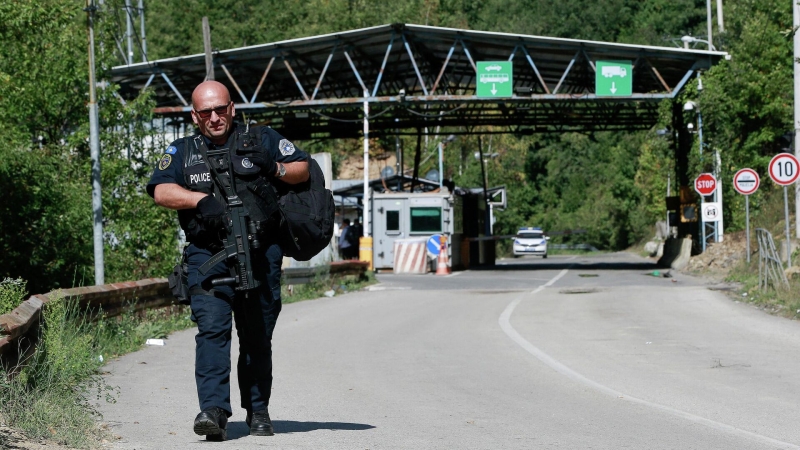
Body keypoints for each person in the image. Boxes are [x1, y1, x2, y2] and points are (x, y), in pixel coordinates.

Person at [147, 80, 309, 441]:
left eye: (221, 109)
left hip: (260, 252)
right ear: (195, 116)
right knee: (212, 330)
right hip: (209, 253)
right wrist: (198, 201)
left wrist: (276, 169)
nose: (215, 117)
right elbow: (160, 190)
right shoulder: (182, 151)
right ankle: (214, 411)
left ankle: (259, 409)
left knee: (256, 336)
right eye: (206, 112)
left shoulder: (261, 139)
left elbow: (303, 168)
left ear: (232, 108)